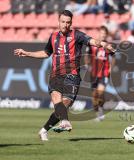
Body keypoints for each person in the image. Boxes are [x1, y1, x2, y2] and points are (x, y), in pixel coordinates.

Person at [14, 10, 116, 141]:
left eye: (68, 22)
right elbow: (46, 53)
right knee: (57, 101)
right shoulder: (53, 36)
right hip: (56, 75)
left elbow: (92, 41)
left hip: (72, 76)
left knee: (64, 105)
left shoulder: (77, 35)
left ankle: (44, 130)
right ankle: (65, 121)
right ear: (58, 21)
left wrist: (104, 44)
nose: (65, 25)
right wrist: (27, 53)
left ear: (71, 23)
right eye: (63, 22)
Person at [84, 26, 115, 121]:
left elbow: (113, 57)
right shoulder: (92, 44)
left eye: (105, 33)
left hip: (104, 72)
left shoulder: (109, 45)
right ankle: (98, 112)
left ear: (106, 35)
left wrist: (110, 68)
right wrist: (86, 64)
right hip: (94, 72)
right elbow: (87, 54)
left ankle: (101, 110)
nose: (103, 35)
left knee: (100, 92)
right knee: (94, 95)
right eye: (102, 33)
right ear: (99, 33)